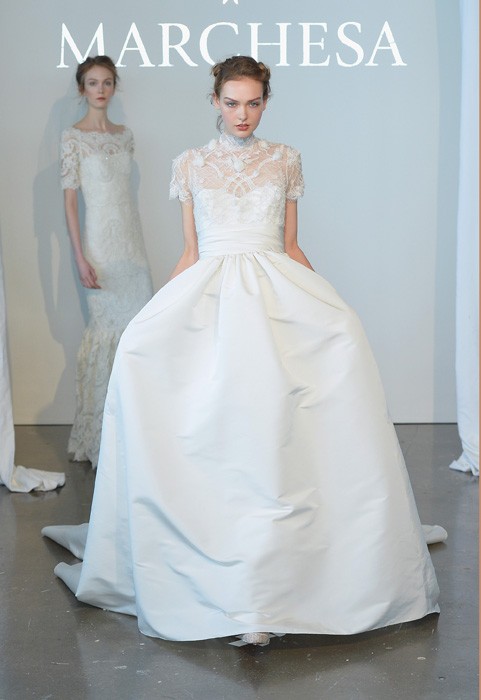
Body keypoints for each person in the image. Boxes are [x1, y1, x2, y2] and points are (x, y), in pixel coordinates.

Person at [44, 56, 440, 646]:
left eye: (253, 103)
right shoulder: (191, 163)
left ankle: (282, 563)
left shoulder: (285, 159)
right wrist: (154, 317)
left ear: (265, 102)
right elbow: (190, 253)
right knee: (218, 417)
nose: (243, 114)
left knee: (280, 420)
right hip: (212, 290)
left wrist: (331, 305)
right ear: (215, 101)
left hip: (275, 290)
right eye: (232, 103)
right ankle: (228, 554)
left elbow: (290, 245)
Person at [61, 56, 153, 467]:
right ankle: (100, 437)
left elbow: (126, 200)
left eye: (107, 82)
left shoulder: (125, 136)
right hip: (99, 248)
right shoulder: (72, 138)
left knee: (138, 336)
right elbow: (70, 203)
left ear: (115, 87)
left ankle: (133, 436)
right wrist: (79, 256)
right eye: (93, 83)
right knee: (105, 335)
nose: (101, 90)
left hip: (132, 248)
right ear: (81, 88)